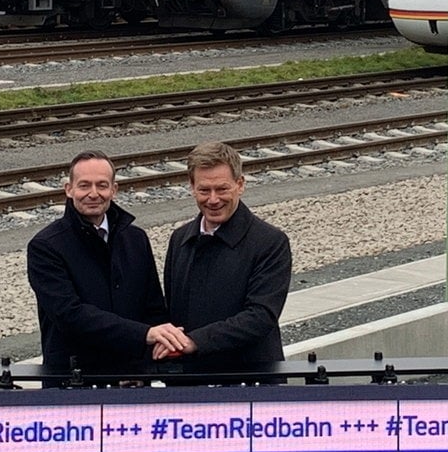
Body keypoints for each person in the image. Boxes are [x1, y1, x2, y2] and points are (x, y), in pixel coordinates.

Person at [26, 150, 191, 375]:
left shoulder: (136, 239)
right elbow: (69, 315)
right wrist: (144, 335)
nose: (93, 193)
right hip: (73, 379)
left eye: (102, 185)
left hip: (131, 377)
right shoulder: (46, 246)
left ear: (114, 190)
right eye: (84, 185)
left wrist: (147, 364)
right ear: (69, 189)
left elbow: (153, 307)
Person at [158, 141, 293, 376]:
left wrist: (195, 341)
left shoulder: (270, 242)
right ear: (191, 187)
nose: (212, 200)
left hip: (249, 381)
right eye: (204, 190)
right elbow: (171, 311)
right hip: (190, 380)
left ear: (240, 185)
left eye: (222, 189)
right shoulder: (180, 239)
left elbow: (261, 317)